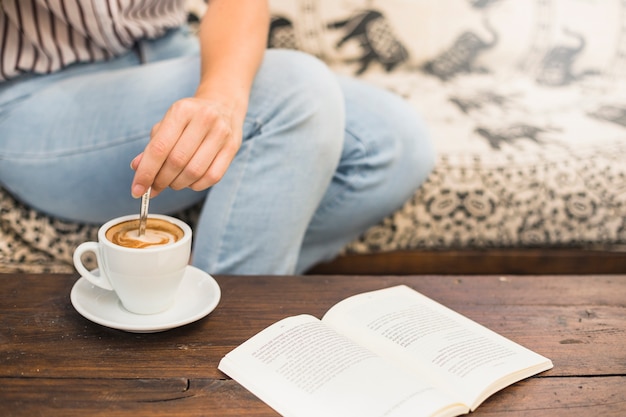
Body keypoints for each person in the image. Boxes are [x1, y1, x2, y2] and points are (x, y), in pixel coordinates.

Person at [0, 0, 434, 275]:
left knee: (395, 143)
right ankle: (225, 351)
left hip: (172, 51)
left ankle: (197, 293)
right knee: (293, 87)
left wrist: (221, 98)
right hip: (39, 92)